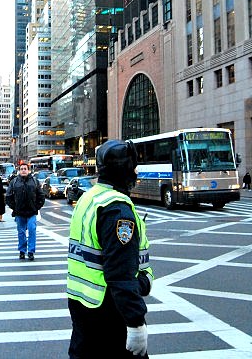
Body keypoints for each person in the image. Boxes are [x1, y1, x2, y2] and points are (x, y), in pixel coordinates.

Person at [67, 140, 153, 359]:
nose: (136, 172)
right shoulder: (117, 209)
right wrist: (135, 322)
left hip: (82, 302)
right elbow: (120, 274)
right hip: (110, 311)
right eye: (134, 167)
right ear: (125, 169)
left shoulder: (89, 198)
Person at [5, 163, 45, 261]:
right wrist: (14, 207)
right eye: (22, 169)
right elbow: (8, 196)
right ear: (19, 171)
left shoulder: (34, 181)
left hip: (31, 212)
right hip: (19, 212)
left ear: (28, 170)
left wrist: (36, 207)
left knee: (32, 230)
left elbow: (41, 196)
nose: (23, 170)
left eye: (25, 169)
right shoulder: (14, 182)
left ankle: (31, 251)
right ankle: (22, 251)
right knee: (21, 232)